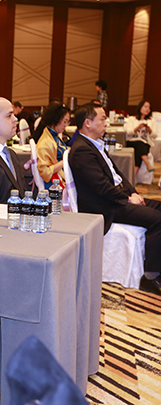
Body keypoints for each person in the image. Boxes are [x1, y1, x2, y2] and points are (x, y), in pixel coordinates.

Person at [69, 103, 161, 294]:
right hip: (104, 206)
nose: (106, 123)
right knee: (157, 219)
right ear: (88, 123)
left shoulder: (95, 145)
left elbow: (118, 176)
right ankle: (150, 277)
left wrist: (133, 193)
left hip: (116, 198)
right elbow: (101, 187)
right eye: (102, 119)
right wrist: (126, 199)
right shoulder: (81, 150)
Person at [36, 103, 70, 189]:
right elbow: (45, 171)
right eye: (65, 121)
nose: (66, 125)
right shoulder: (45, 142)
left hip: (59, 176)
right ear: (56, 119)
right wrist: (64, 161)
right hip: (53, 183)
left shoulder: (54, 136)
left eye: (68, 122)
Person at [125, 99, 157, 175]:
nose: (147, 109)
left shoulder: (152, 120)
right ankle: (147, 162)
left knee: (138, 152)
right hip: (132, 141)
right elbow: (128, 132)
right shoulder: (132, 119)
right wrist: (137, 128)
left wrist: (149, 130)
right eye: (145, 107)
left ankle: (134, 176)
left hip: (145, 143)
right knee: (140, 144)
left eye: (149, 108)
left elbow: (155, 135)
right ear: (140, 107)